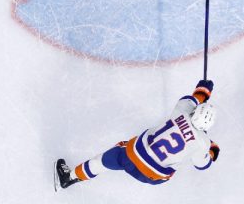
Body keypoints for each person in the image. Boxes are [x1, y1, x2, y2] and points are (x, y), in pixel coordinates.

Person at [54, 79, 219, 191]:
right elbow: (203, 164)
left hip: (131, 157)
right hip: (154, 177)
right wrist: (212, 149)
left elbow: (194, 98)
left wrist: (204, 91)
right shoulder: (202, 143)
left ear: (194, 113)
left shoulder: (182, 110)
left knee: (105, 160)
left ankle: (70, 177)